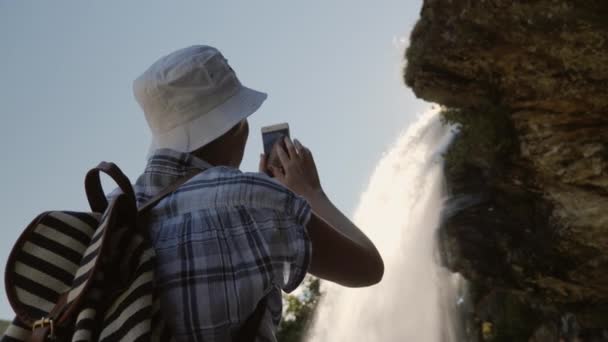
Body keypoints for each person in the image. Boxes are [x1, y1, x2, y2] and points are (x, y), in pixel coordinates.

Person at [131, 45, 384, 342]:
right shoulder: (252, 202)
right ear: (235, 127)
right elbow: (367, 267)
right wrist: (310, 193)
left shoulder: (117, 206)